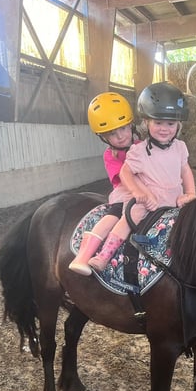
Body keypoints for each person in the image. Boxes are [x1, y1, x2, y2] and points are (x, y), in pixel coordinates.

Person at [87, 82, 196, 272]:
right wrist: (139, 193)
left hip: (174, 198)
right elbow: (125, 172)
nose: (164, 129)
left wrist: (191, 192)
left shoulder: (180, 147)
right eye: (158, 123)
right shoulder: (139, 151)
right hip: (149, 198)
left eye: (170, 124)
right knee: (131, 214)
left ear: (178, 124)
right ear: (146, 122)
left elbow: (185, 170)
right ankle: (105, 254)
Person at [69, 91, 139, 275]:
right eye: (112, 133)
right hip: (125, 194)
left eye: (123, 128)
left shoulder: (143, 145)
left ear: (131, 124)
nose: (121, 136)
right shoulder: (110, 155)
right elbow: (123, 178)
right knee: (112, 217)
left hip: (149, 190)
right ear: (104, 137)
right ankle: (85, 256)